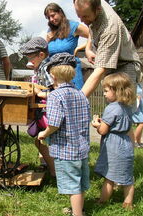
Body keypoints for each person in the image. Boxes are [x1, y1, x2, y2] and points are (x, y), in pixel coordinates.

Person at [37, 53, 90, 216]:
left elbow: (54, 123)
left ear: (52, 74)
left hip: (66, 149)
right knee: (79, 183)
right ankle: (78, 209)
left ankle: (77, 214)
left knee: (72, 185)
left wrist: (43, 133)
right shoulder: (80, 94)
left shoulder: (55, 95)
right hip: (82, 148)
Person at [73, 0, 142, 97]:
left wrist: (79, 99)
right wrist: (88, 48)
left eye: (85, 16)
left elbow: (100, 70)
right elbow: (91, 26)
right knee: (113, 108)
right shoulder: (91, 0)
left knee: (125, 108)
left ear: (98, 9)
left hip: (125, 65)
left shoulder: (110, 28)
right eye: (79, 15)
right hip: (109, 67)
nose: (81, 20)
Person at [91, 72, 136, 210]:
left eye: (106, 91)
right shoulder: (127, 107)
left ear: (117, 91)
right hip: (125, 143)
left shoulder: (111, 108)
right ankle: (128, 202)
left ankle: (102, 201)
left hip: (113, 145)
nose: (104, 94)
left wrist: (96, 124)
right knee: (127, 177)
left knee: (109, 177)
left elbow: (103, 130)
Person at [19, 36, 55, 176]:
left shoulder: (46, 68)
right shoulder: (40, 67)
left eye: (30, 58)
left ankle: (55, 173)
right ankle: (53, 170)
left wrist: (37, 91)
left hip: (49, 112)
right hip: (44, 110)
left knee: (42, 142)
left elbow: (54, 92)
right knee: (40, 141)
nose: (29, 61)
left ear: (41, 55)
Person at [44, 2, 89, 89]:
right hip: (55, 76)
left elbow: (93, 35)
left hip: (71, 74)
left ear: (60, 12)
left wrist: (81, 48)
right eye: (48, 18)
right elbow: (45, 53)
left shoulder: (73, 26)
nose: (51, 19)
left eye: (53, 15)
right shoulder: (50, 30)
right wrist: (47, 40)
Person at [132, 72, 143, 148]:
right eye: (141, 77)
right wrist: (135, 96)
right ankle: (134, 141)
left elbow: (140, 93)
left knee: (141, 123)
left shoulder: (138, 85)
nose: (142, 79)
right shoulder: (133, 85)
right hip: (136, 107)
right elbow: (130, 94)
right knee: (142, 122)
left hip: (141, 107)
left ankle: (139, 142)